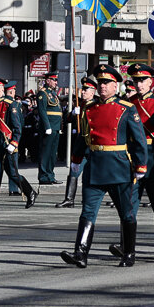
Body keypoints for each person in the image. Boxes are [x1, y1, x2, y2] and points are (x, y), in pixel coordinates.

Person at [61, 65, 147, 268]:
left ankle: (128, 253)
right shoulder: (89, 108)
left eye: (106, 83)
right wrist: (76, 159)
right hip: (95, 165)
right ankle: (80, 253)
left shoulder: (126, 108)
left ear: (115, 86)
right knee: (88, 212)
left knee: (126, 212)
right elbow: (84, 137)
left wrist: (141, 165)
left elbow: (139, 139)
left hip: (118, 166)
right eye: (100, 83)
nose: (102, 87)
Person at [126, 63, 154, 257]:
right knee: (130, 205)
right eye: (136, 80)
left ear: (151, 82)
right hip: (134, 158)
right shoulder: (128, 103)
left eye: (142, 80)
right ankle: (127, 246)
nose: (139, 84)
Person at [0, 75, 37, 207]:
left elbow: (17, 127)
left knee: (12, 173)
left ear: (2, 89)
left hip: (5, 141)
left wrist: (14, 143)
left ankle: (30, 193)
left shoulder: (10, 104)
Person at [56, 76, 97, 209]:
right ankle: (69, 199)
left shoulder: (97, 105)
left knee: (92, 175)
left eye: (86, 89)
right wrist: (74, 113)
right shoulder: (81, 104)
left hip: (93, 145)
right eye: (83, 89)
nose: (83, 92)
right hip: (80, 145)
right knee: (74, 172)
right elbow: (68, 120)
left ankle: (89, 200)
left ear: (93, 91)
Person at [37, 71, 63, 185]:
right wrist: (47, 126)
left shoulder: (53, 94)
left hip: (56, 127)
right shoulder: (43, 93)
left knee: (53, 153)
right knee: (46, 152)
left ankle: (50, 175)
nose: (56, 82)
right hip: (49, 127)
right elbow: (42, 111)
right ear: (48, 80)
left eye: (56, 80)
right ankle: (43, 176)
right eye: (54, 80)